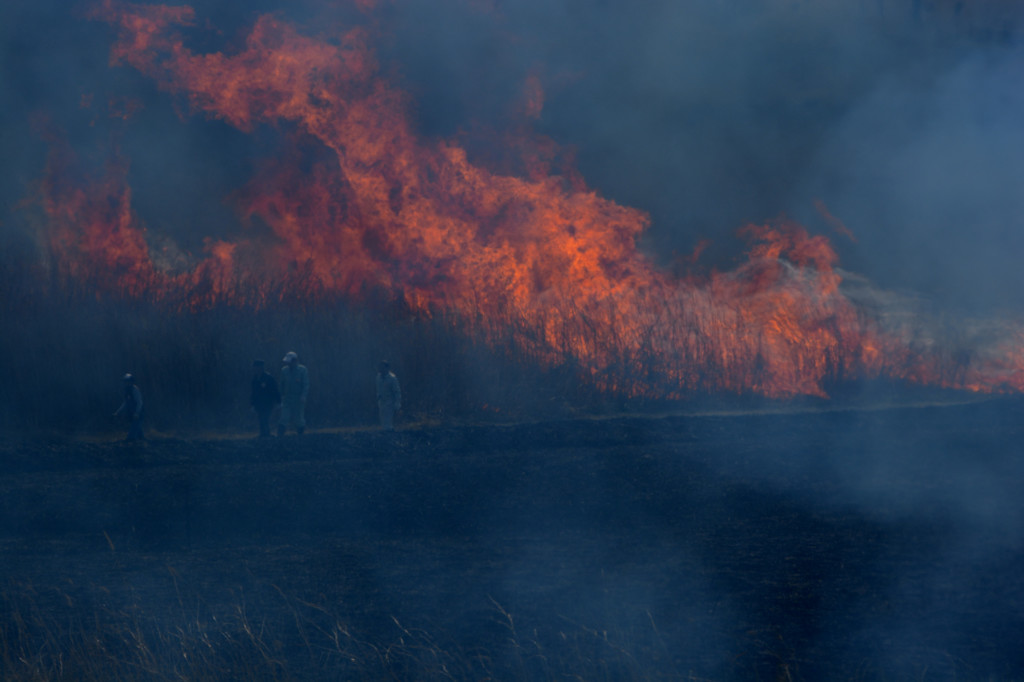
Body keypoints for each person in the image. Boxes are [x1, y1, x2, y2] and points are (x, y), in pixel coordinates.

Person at [278, 351, 309, 436]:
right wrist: (279, 397)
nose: (289, 364)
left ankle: (300, 433)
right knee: (284, 417)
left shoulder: (302, 370)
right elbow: (281, 384)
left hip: (298, 398)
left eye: (290, 362)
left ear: (295, 361)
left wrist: (303, 395)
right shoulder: (284, 371)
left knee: (298, 418)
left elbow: (305, 384)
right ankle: (280, 435)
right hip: (287, 398)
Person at [250, 359, 281, 438]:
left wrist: (278, 401)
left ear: (260, 368)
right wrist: (252, 404)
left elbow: (275, 390)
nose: (254, 369)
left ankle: (266, 434)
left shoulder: (268, 378)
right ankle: (263, 434)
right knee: (260, 418)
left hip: (268, 402)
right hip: (258, 403)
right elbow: (253, 393)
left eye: (256, 367)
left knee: (265, 418)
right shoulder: (255, 379)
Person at [114, 373, 144, 442]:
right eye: (125, 381)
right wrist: (118, 412)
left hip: (139, 413)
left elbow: (139, 402)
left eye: (128, 381)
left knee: (132, 432)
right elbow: (125, 403)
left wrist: (137, 413)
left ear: (132, 382)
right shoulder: (127, 390)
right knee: (139, 431)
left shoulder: (135, 390)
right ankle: (142, 441)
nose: (126, 383)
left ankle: (130, 442)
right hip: (133, 413)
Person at [376, 361, 401, 430]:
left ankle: (389, 433)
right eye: (380, 367)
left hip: (390, 402)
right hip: (381, 402)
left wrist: (397, 404)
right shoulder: (378, 377)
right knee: (383, 420)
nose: (381, 369)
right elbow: (378, 389)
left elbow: (397, 392)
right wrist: (378, 397)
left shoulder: (392, 378)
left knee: (388, 421)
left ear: (387, 368)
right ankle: (385, 434)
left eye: (383, 367)